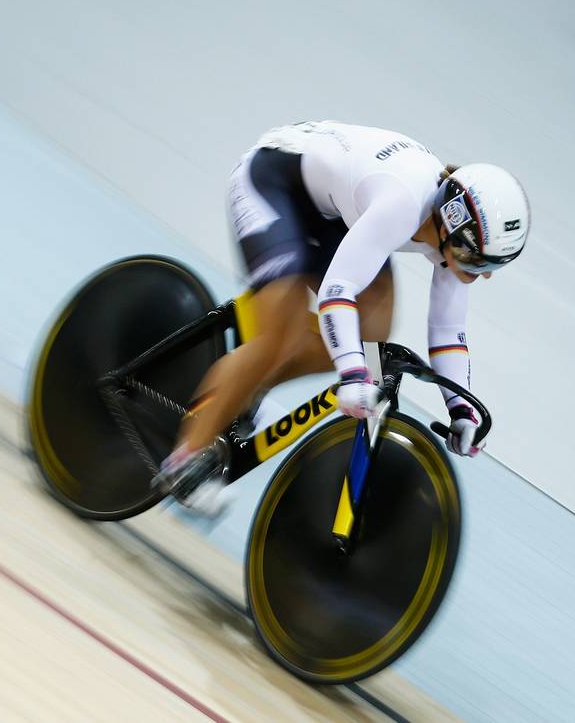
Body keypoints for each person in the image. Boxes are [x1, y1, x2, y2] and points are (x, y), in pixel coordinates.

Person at [152, 120, 530, 515]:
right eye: (481, 262)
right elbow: (337, 292)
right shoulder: (403, 204)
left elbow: (448, 329)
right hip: (272, 183)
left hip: (332, 210)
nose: (485, 274)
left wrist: (461, 411)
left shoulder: (450, 230)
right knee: (278, 337)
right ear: (452, 226)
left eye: (495, 266)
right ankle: (183, 461)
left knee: (372, 331)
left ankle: (246, 393)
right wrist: (352, 375)